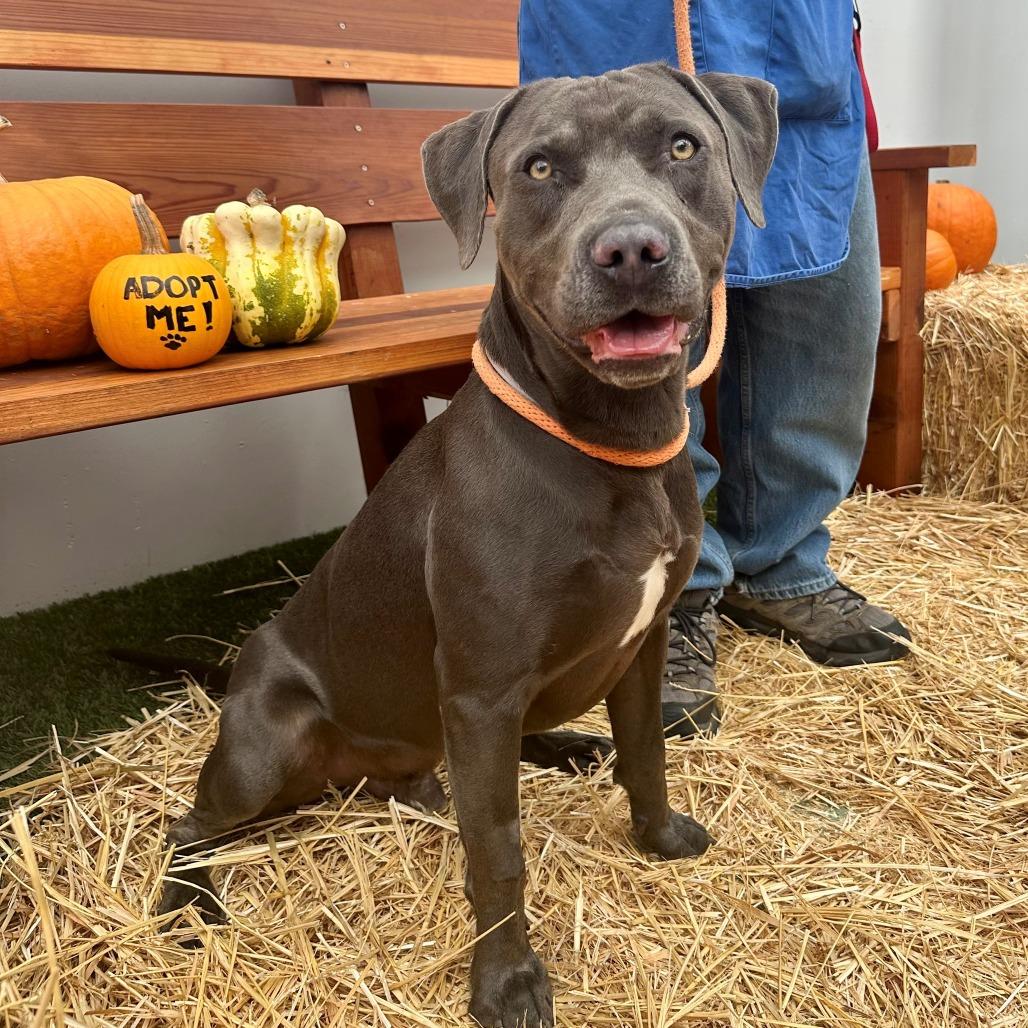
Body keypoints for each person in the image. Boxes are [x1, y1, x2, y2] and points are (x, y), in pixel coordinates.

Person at [518, 0, 911, 737]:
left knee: (827, 318)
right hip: (621, 23)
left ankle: (784, 561)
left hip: (795, 37)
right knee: (630, 321)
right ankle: (675, 593)